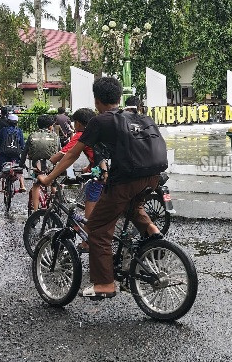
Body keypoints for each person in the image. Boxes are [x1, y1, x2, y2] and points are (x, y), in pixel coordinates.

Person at [37, 77, 162, 299]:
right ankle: (153, 231)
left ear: (96, 100)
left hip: (126, 180)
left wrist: (48, 179)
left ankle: (105, 284)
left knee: (97, 229)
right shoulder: (138, 117)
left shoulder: (100, 121)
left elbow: (71, 155)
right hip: (152, 177)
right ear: (119, 97)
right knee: (132, 207)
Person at [47, 107, 106, 252]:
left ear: (78, 123)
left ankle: (86, 242)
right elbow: (98, 154)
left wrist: (48, 165)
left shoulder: (81, 134)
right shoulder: (100, 131)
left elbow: (64, 154)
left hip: (101, 176)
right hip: (109, 171)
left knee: (89, 208)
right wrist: (89, 168)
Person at [21, 114, 61, 212]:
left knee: (36, 185)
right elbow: (59, 151)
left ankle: (35, 211)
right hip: (51, 165)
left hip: (37, 166)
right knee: (53, 183)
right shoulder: (55, 136)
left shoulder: (32, 135)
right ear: (50, 126)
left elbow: (25, 152)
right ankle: (56, 204)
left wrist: (21, 164)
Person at [0, 113, 26, 194]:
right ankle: (22, 185)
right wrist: (23, 153)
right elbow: (22, 145)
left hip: (4, 154)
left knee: (0, 168)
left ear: (8, 122)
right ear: (16, 122)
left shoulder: (3, 131)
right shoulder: (19, 131)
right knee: (18, 168)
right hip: (16, 154)